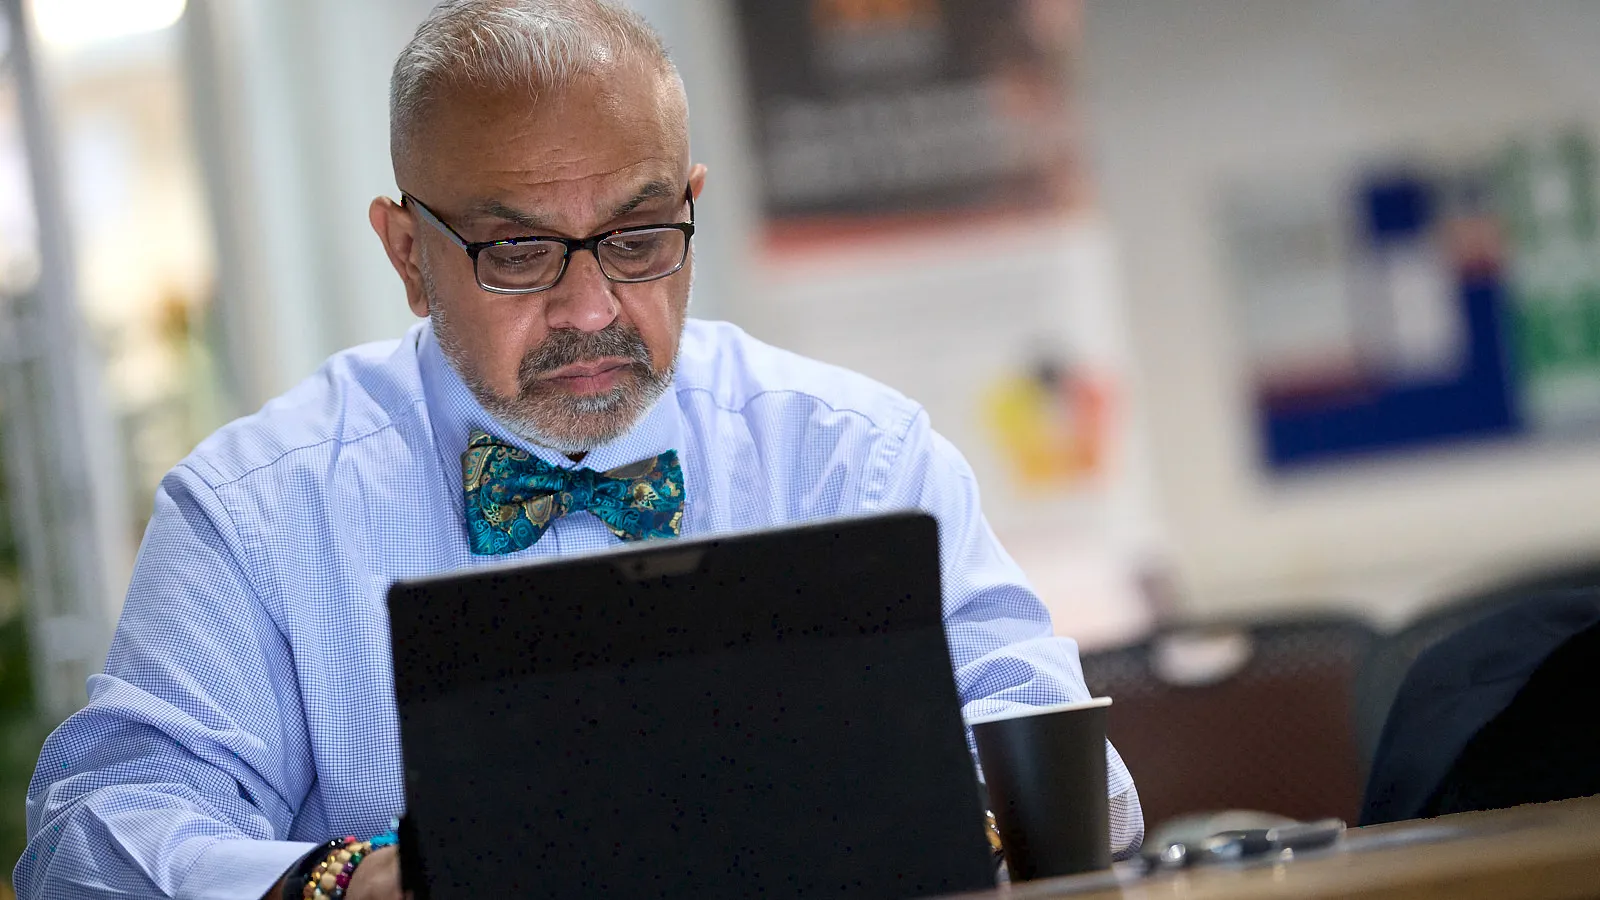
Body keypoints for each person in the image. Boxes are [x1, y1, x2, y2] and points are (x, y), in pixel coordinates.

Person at [15, 2, 1143, 897]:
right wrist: (361, 883)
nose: (593, 307)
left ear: (691, 204)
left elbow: (1081, 784)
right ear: (408, 253)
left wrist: (915, 813)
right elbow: (90, 842)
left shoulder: (855, 459)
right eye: (516, 252)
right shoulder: (255, 511)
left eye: (641, 238)